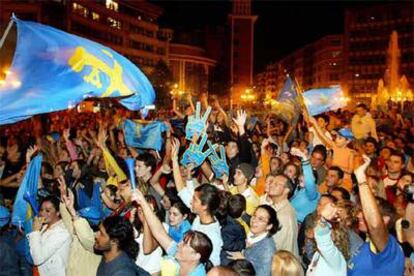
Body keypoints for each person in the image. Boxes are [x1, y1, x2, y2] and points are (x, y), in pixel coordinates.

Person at [131, 188, 213, 276]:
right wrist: (142, 202)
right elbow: (159, 232)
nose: (178, 244)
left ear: (196, 256)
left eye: (184, 244)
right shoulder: (180, 253)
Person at [348, 155, 405, 275]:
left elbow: (374, 224)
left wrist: (362, 179)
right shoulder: (368, 244)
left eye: (365, 213)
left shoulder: (389, 247)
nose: (359, 215)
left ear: (384, 220)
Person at [227, 205, 279, 276]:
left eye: (260, 219)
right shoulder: (255, 232)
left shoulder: (268, 251)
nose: (254, 220)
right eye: (254, 215)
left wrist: (243, 260)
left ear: (269, 226)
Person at [27, 196, 72, 276]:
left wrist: (35, 232)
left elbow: (37, 259)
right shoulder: (45, 226)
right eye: (41, 210)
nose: (42, 213)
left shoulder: (61, 232)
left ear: (58, 212)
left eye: (48, 211)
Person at [260, 174, 298, 256]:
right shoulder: (277, 207)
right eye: (272, 182)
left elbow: (274, 246)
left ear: (286, 191)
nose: (271, 185)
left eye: (276, 184)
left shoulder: (283, 215)